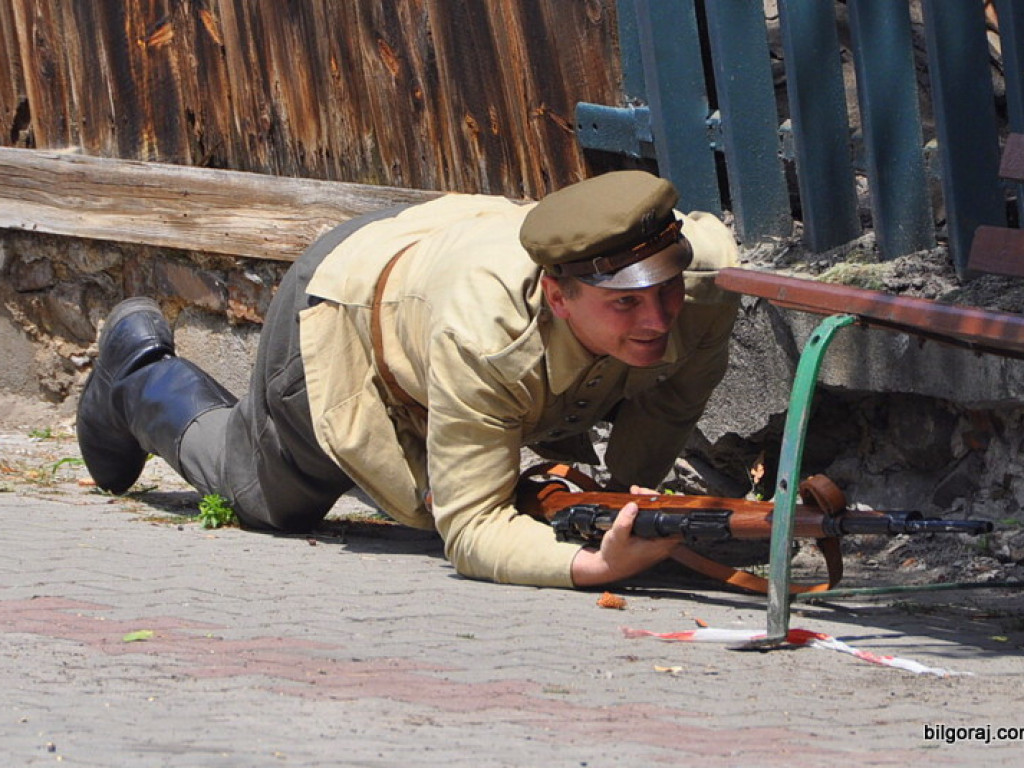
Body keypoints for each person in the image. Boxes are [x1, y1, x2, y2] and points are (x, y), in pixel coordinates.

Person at [76, 170, 740, 588]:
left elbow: (668, 405)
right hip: (351, 304)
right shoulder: (485, 335)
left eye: (666, 289)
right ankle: (135, 374)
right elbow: (472, 531)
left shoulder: (707, 283)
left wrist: (624, 507)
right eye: (626, 303)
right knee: (266, 499)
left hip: (444, 249)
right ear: (558, 297)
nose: (659, 318)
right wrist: (593, 564)